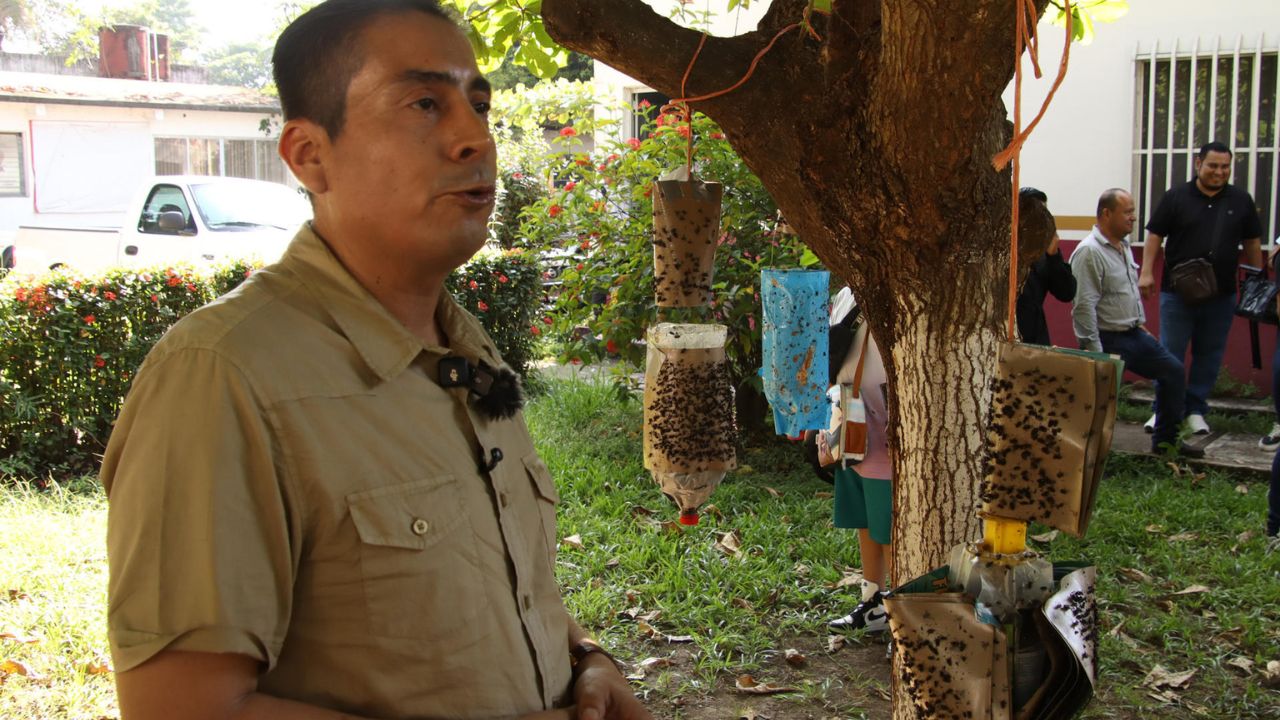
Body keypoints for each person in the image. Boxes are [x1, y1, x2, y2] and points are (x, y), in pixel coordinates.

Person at [102, 3, 652, 719]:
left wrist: (585, 659)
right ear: (309, 156)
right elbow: (179, 707)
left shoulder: (463, 346)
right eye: (425, 103)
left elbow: (487, 584)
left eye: (477, 103)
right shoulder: (222, 375)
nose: (473, 137)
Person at [1138, 141, 1264, 436]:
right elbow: (1155, 234)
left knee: (1209, 354)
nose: (1219, 172)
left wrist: (1257, 281)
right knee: (1170, 354)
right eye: (1213, 166)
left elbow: (1253, 242)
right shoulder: (1176, 197)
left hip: (1221, 294)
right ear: (1198, 164)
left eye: (1225, 167)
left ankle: (1195, 410)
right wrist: (1146, 273)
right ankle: (1163, 411)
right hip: (1176, 293)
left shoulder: (1240, 200)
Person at [1071, 189, 1203, 458]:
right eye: (1127, 212)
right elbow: (1083, 307)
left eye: (1133, 211)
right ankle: (1083, 453)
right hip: (1106, 338)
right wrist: (1095, 353)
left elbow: (1125, 291)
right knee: (1098, 400)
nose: (1134, 218)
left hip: (1132, 334)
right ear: (1106, 213)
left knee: (1173, 372)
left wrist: (1139, 324)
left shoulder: (1123, 246)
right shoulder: (1089, 252)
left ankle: (1166, 442)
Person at [817, 288, 893, 633]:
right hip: (851, 420)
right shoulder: (846, 294)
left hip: (887, 424)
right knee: (865, 521)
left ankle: (898, 611)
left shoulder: (898, 288)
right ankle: (872, 600)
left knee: (888, 526)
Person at [1015, 187, 1076, 346]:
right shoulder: (1004, 249)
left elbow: (1066, 292)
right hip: (1009, 336)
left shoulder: (1046, 252)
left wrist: (1054, 255)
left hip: (1036, 338)